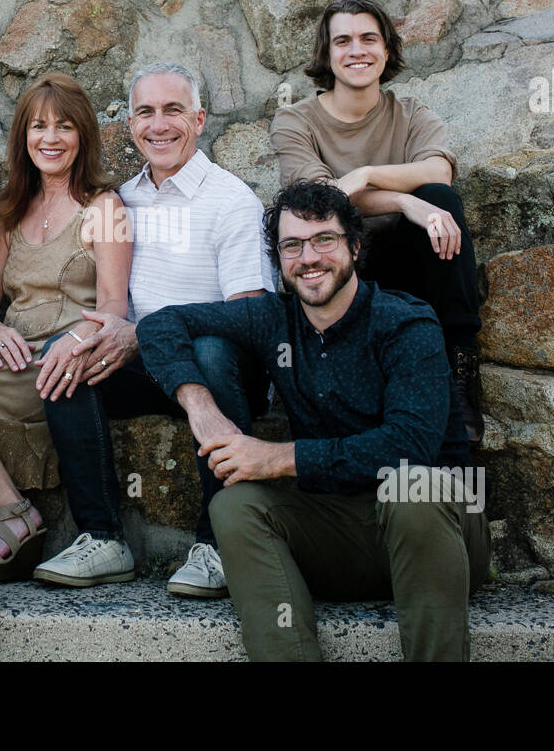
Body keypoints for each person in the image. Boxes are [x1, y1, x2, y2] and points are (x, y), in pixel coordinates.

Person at [137, 180, 489, 661]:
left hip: (436, 537)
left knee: (413, 491)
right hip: (339, 535)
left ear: (354, 247)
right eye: (292, 245)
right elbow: (160, 324)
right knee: (233, 506)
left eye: (325, 239)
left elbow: (408, 450)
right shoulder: (273, 318)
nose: (309, 257)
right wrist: (200, 407)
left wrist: (279, 458)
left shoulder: (404, 323)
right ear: (279, 259)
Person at [30, 62, 274, 596]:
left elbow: (254, 318)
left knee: (209, 351)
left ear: (200, 119)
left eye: (173, 111)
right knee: (62, 355)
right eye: (145, 112)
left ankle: (219, 543)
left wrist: (146, 332)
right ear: (132, 124)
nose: (158, 125)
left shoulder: (230, 200)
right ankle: (103, 539)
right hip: (151, 370)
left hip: (223, 370)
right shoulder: (124, 198)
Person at [0, 73, 132, 581]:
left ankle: (9, 511)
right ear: (23, 136)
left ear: (82, 135)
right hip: (6, 358)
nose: (50, 138)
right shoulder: (10, 213)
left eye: (64, 126)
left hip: (58, 368)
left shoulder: (103, 207)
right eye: (38, 126)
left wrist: (75, 341)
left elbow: (114, 306)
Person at [270, 0, 484, 442]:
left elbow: (437, 170)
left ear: (387, 50)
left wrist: (364, 176)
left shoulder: (411, 114)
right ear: (327, 55)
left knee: (440, 197)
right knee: (422, 201)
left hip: (413, 263)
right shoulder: (295, 121)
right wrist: (405, 202)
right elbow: (318, 204)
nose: (357, 50)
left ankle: (461, 365)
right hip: (343, 266)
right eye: (342, 41)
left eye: (369, 38)